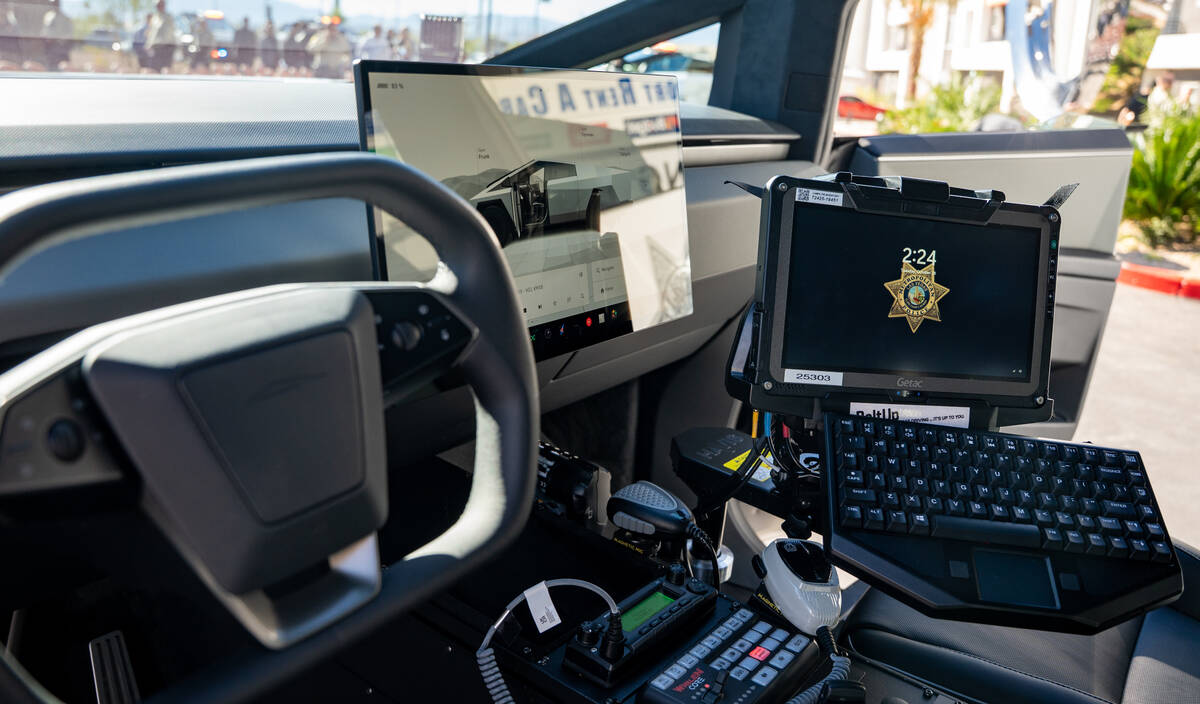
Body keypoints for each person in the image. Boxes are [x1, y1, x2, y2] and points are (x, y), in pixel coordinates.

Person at [144, 0, 177, 73]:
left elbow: (170, 32)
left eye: (161, 5)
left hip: (167, 46)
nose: (159, 7)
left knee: (166, 69)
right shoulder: (154, 18)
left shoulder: (168, 17)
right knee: (154, 69)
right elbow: (152, 33)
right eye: (158, 5)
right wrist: (148, 45)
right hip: (156, 47)